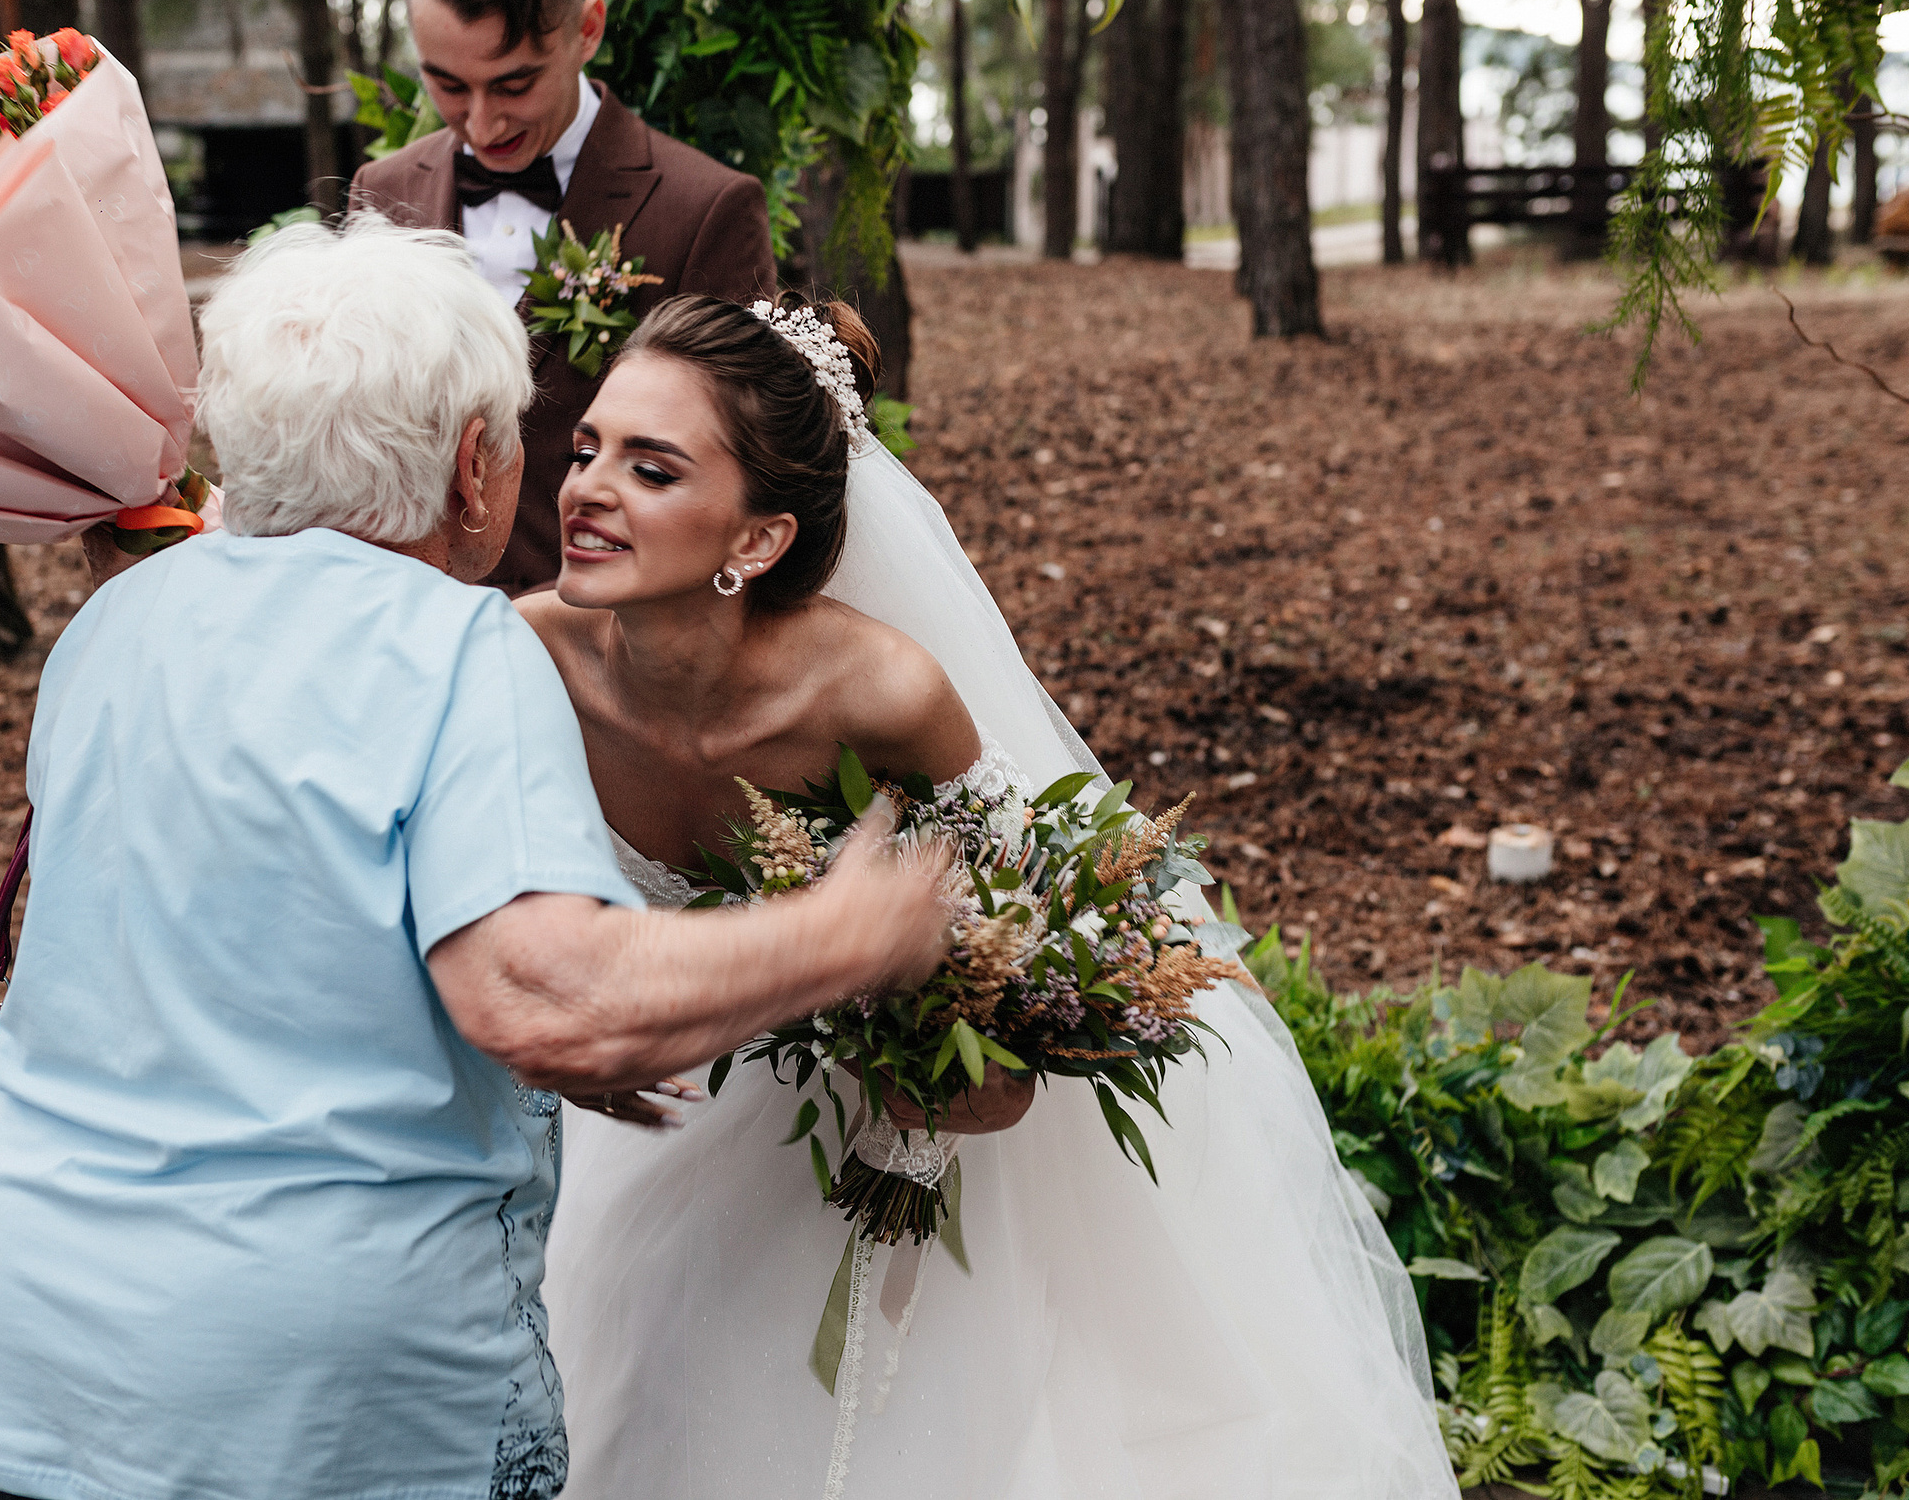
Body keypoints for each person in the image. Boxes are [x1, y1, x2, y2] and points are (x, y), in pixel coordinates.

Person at [0, 219, 954, 1500]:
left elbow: (274, 929)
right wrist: (846, 932)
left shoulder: (115, 617)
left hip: (34, 1349)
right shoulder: (461, 650)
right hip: (312, 1405)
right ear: (475, 468)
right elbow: (538, 996)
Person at [521, 294, 1464, 1500]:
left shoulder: (881, 692)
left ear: (755, 544)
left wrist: (955, 1069)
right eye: (587, 449)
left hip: (870, 1128)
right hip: (648, 1107)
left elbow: (1043, 940)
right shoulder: (522, 655)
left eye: (650, 469)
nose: (587, 489)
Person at [349, 0, 776, 595]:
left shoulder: (706, 210)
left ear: (588, 29)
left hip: (606, 667)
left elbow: (743, 475)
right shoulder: (381, 195)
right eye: (447, 84)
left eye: (514, 82)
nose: (481, 123)